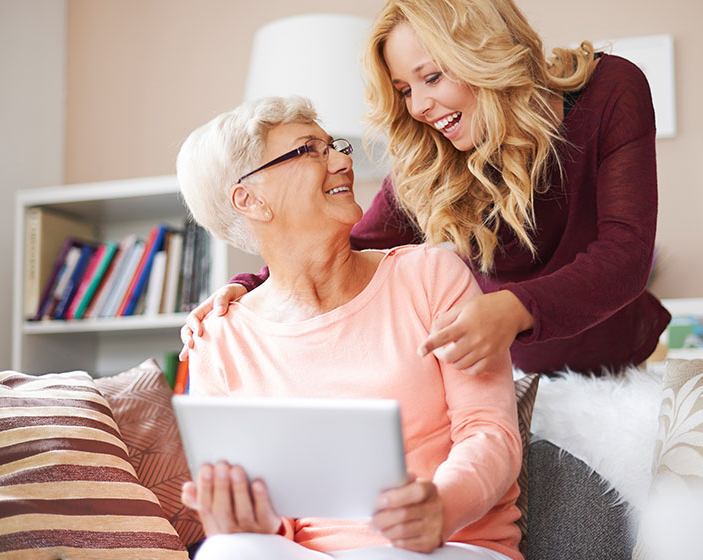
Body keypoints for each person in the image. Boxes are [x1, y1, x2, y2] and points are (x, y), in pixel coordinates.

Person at [181, 0, 671, 376]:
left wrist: (513, 307)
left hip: (615, 364)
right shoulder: (430, 163)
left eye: (431, 77)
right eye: (405, 91)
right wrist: (247, 287)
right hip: (507, 372)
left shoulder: (611, 89)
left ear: (483, 52)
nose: (418, 107)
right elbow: (350, 246)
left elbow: (625, 256)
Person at [176, 96, 522, 560]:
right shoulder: (218, 339)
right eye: (309, 150)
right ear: (250, 198)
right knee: (227, 552)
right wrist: (249, 521)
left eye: (333, 146)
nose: (342, 161)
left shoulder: (430, 276)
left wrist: (442, 506)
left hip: (449, 545)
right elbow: (273, 519)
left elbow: (489, 430)